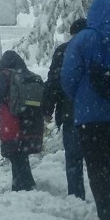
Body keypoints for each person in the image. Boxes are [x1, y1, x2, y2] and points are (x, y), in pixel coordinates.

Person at [60, 0, 110, 220]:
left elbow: (68, 78)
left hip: (89, 117)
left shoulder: (82, 40)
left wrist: (80, 97)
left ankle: (106, 215)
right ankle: (109, 208)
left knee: (95, 166)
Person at [40, 17, 87, 200]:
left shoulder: (63, 51)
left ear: (71, 33)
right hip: (96, 116)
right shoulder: (97, 48)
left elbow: (53, 83)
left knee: (74, 159)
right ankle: (103, 200)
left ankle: (76, 198)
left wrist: (47, 109)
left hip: (71, 113)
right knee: (97, 161)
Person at [0, 50, 43, 192]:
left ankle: (21, 188)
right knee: (22, 158)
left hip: (12, 123)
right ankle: (25, 188)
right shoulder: (28, 75)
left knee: (17, 159)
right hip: (29, 124)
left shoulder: (6, 75)